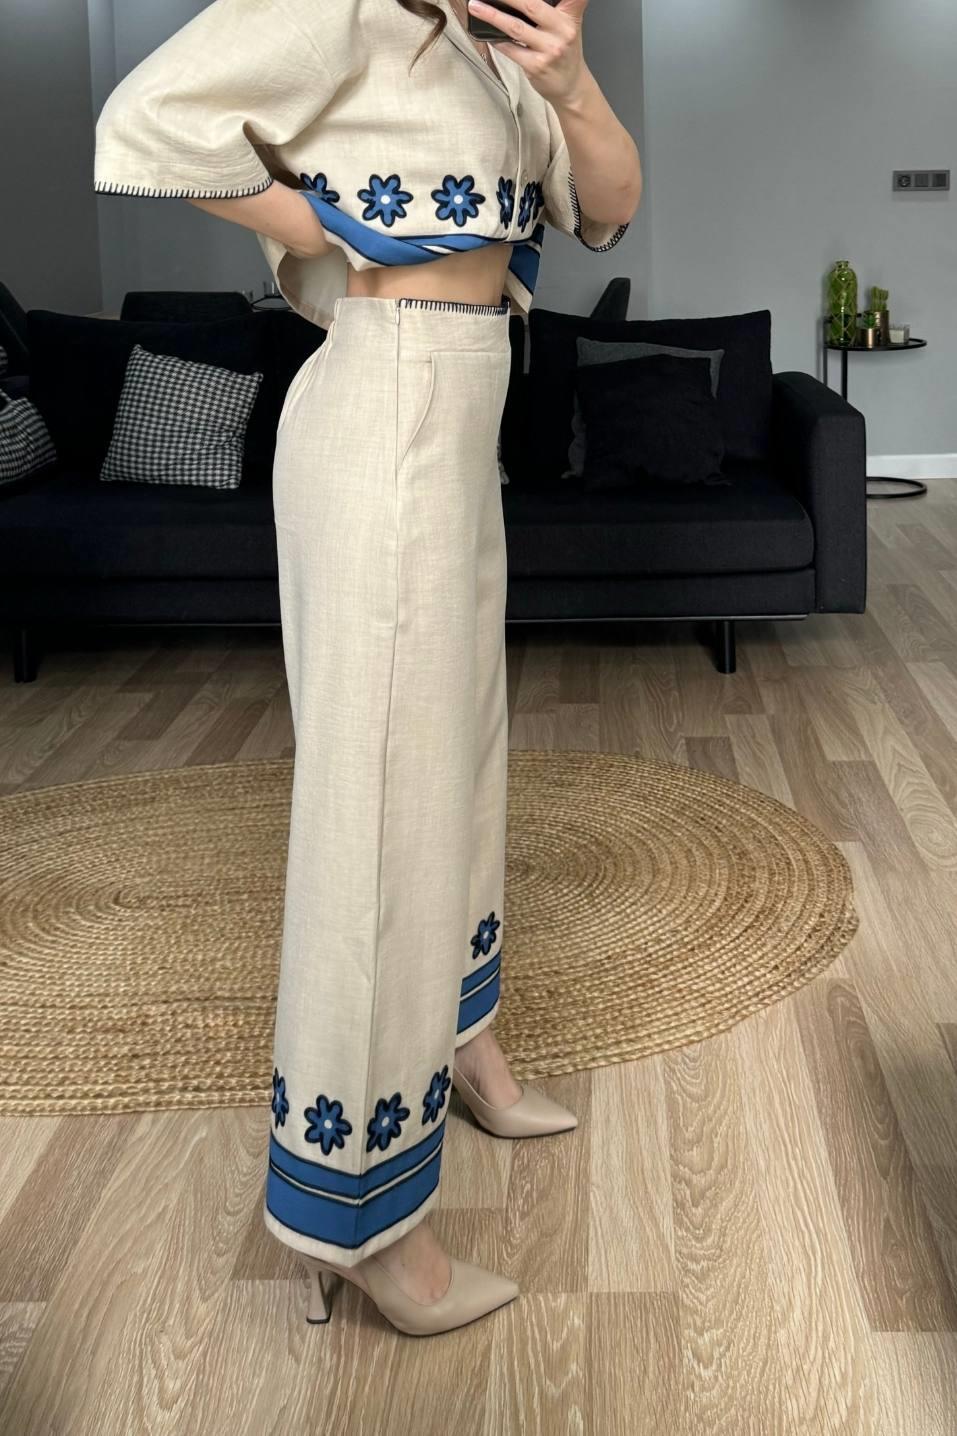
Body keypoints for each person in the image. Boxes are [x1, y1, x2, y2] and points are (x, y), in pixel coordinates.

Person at [93, 0, 642, 1337]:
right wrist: (318, 227)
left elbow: (609, 210)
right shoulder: (342, 5)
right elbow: (143, 122)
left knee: (461, 755)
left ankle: (463, 1045)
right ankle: (359, 1219)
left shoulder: (499, 52)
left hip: (462, 406)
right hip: (384, 400)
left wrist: (569, 80)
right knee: (378, 813)